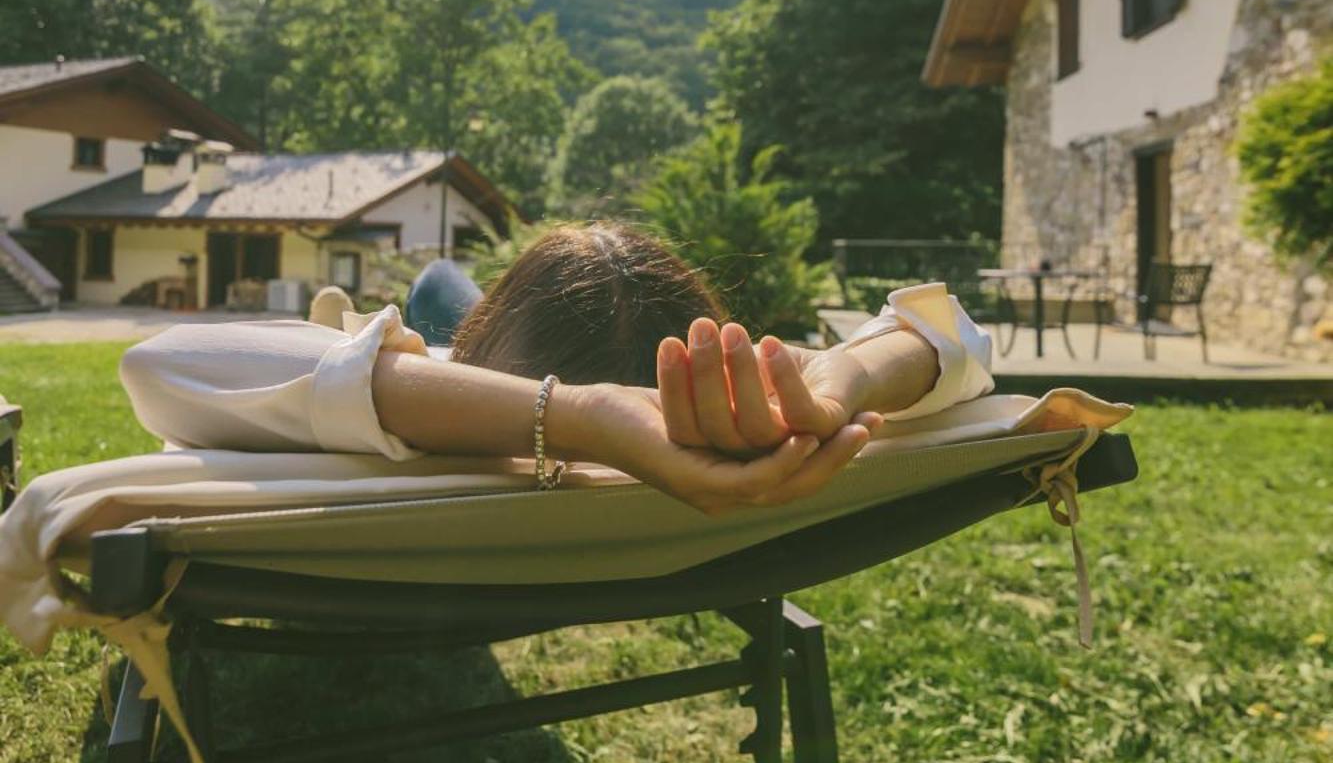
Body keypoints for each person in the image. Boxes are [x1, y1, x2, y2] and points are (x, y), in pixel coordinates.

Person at [120, 223, 994, 517]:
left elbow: (160, 365)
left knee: (434, 282)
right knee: (460, 285)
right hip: (489, 356)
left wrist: (577, 415)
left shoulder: (423, 417)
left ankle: (464, 311)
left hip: (460, 361)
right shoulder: (732, 435)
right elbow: (955, 337)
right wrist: (841, 381)